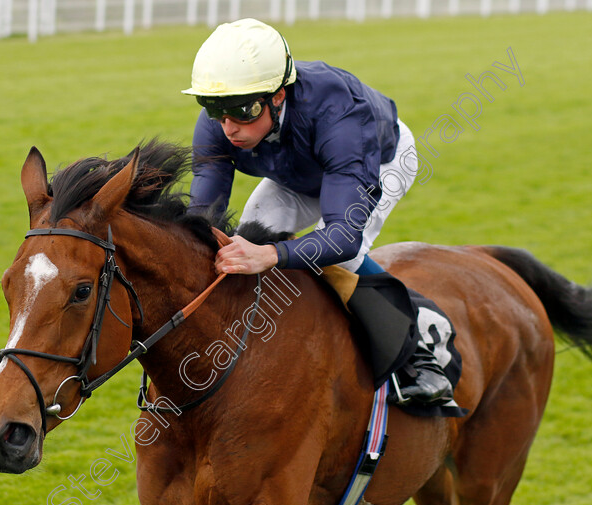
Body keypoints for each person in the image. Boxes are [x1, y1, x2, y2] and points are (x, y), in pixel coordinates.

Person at [183, 18, 453, 406]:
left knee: (341, 258)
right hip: (296, 169)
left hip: (376, 161)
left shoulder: (340, 114)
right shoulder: (223, 121)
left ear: (278, 95)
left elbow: (344, 236)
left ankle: (419, 351)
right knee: (245, 236)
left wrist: (272, 254)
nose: (228, 127)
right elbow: (203, 213)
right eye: (214, 109)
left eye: (242, 111)